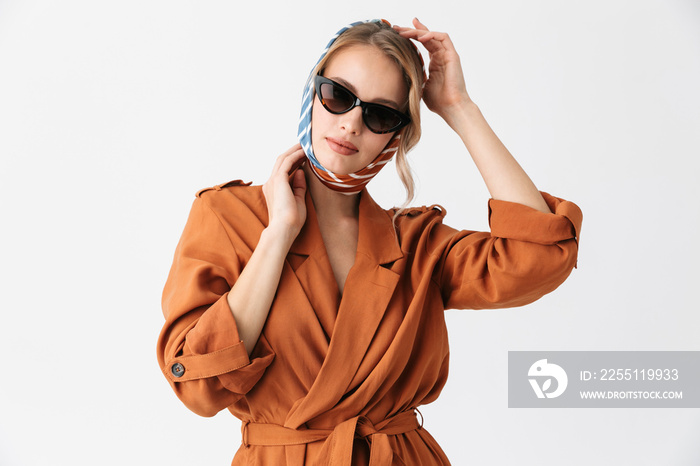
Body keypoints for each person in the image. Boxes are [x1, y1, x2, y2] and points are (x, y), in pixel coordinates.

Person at [157, 18, 582, 465]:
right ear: (311, 93)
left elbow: (539, 255)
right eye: (337, 95)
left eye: (380, 114)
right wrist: (277, 233)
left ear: (396, 134)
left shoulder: (418, 244)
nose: (351, 124)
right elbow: (196, 385)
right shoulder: (229, 217)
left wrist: (459, 107)